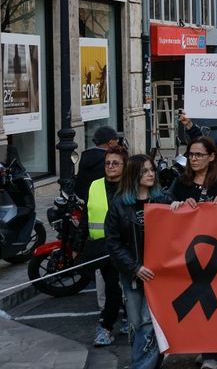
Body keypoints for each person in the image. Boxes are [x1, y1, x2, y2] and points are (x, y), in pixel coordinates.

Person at [105, 154, 170, 369]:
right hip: (133, 274)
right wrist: (134, 267)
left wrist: (182, 206)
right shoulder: (119, 204)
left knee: (147, 322)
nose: (151, 174)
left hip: (159, 274)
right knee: (135, 323)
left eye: (152, 170)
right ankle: (147, 361)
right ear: (134, 174)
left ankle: (141, 366)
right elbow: (113, 242)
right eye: (145, 171)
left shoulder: (163, 199)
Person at [86, 145, 129, 347]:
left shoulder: (132, 186)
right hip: (104, 248)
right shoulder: (94, 185)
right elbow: (88, 214)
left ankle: (128, 320)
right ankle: (106, 328)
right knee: (112, 288)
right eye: (107, 163)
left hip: (128, 246)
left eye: (115, 163)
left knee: (129, 287)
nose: (110, 166)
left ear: (125, 166)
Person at [170, 137, 217, 204]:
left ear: (211, 157)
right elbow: (167, 203)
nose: (193, 159)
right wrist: (178, 205)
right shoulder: (181, 181)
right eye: (190, 155)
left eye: (198, 155)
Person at [75, 125, 120, 201]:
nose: (118, 145)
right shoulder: (110, 160)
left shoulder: (85, 156)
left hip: (87, 201)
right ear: (110, 143)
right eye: (117, 143)